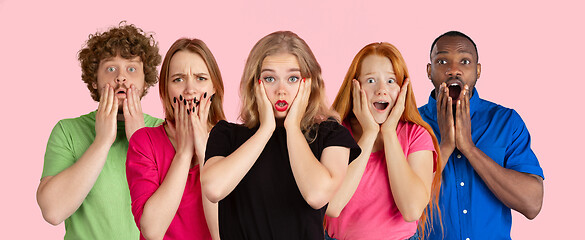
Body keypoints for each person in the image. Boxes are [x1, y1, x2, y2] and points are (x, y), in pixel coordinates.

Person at [201, 31, 361, 240]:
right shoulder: (227, 134)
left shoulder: (331, 135)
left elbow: (317, 195)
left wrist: (293, 127)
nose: (281, 90)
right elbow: (213, 189)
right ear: (254, 83)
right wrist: (265, 129)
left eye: (292, 78)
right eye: (270, 78)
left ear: (309, 84)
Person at [36, 22, 163, 239]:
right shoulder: (67, 131)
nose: (121, 77)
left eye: (132, 69)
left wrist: (140, 142)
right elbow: (53, 211)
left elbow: (176, 215)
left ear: (145, 81)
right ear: (95, 81)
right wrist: (102, 141)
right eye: (110, 68)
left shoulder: (165, 132)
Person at [418, 31, 544, 240]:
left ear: (477, 71)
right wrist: (446, 146)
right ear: (429, 71)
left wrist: (469, 148)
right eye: (442, 61)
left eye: (464, 61)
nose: (453, 70)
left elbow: (532, 204)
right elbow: (396, 205)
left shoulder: (506, 122)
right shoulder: (408, 124)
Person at [324, 42, 441, 240]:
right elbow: (331, 205)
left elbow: (412, 210)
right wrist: (369, 133)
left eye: (391, 81)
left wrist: (388, 132)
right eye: (370, 81)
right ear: (355, 87)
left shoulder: (417, 136)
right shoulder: (334, 132)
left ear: (403, 88)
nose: (381, 90)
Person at [126, 38, 224, 240]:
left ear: (214, 87)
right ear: (165, 90)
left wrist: (205, 152)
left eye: (201, 78)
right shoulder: (144, 142)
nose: (190, 90)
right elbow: (152, 231)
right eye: (178, 79)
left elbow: (222, 233)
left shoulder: (234, 142)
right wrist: (184, 153)